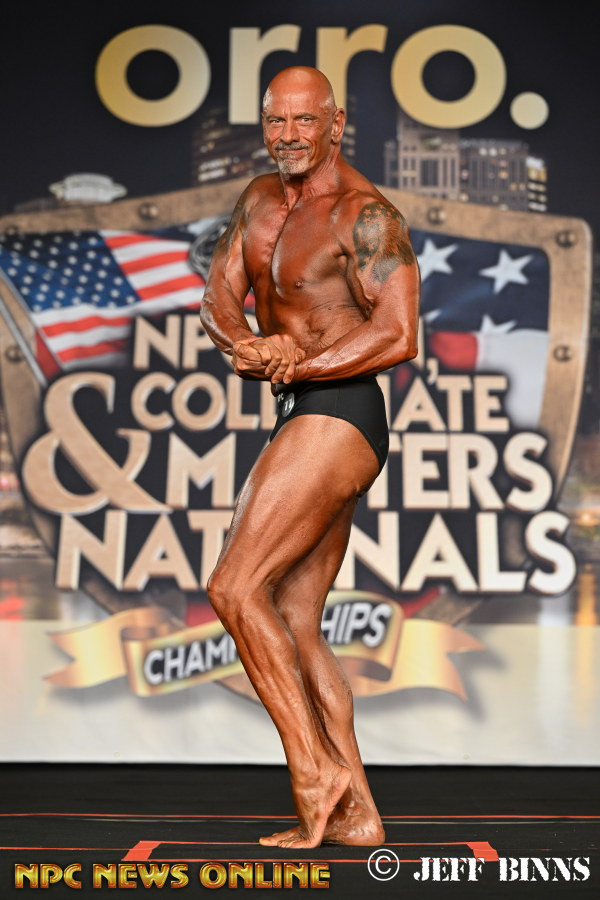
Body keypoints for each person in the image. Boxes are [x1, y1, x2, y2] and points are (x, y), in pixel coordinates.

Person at [200, 66, 420, 849]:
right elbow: (218, 296)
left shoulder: (365, 214)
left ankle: (314, 774)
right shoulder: (259, 199)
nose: (289, 135)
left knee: (234, 586)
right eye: (276, 121)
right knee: (294, 620)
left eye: (305, 120)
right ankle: (358, 813)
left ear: (336, 121)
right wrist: (249, 345)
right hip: (302, 405)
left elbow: (398, 333)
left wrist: (298, 365)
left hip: (342, 410)